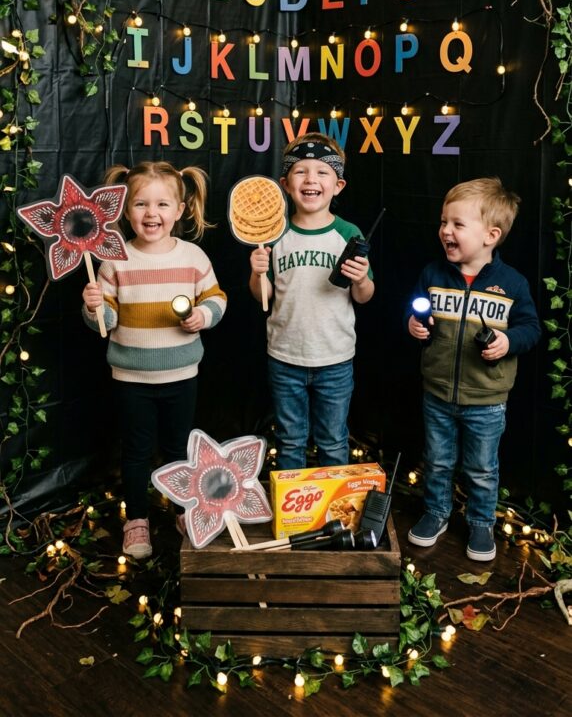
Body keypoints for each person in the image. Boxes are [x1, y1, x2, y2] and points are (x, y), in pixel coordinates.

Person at [82, 161, 226, 559]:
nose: (151, 213)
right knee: (136, 451)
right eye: (141, 204)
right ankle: (137, 520)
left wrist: (203, 316)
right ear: (126, 210)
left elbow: (216, 298)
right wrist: (94, 307)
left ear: (179, 210)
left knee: (180, 449)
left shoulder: (193, 257)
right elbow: (106, 322)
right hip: (131, 377)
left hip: (182, 374)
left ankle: (183, 511)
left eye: (162, 204)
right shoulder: (114, 260)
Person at [406, 177, 541, 562]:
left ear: (490, 235)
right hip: (437, 392)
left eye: (457, 224)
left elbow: (531, 328)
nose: (445, 231)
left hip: (486, 400)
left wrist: (507, 342)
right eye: (443, 222)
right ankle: (436, 512)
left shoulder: (512, 283)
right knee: (437, 461)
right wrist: (414, 326)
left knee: (481, 467)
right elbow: (417, 312)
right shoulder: (433, 274)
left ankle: (481, 522)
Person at [249, 132, 375, 470]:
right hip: (284, 357)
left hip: (335, 358)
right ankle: (295, 505)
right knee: (290, 439)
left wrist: (362, 279)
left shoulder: (348, 234)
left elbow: (364, 296)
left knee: (333, 439)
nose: (311, 179)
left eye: (322, 172)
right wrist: (257, 273)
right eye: (301, 171)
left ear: (338, 185)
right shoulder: (273, 234)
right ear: (285, 184)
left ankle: (333, 502)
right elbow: (263, 296)